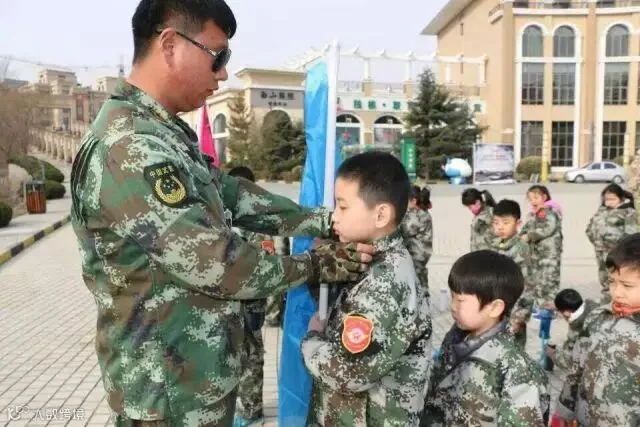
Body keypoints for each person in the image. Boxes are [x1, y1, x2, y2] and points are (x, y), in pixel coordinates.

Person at [68, 1, 374, 425]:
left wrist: (323, 220)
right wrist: (316, 264)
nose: (224, 73)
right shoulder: (130, 147)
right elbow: (218, 263)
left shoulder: (162, 134)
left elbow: (231, 195)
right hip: (168, 396)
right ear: (171, 45)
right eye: (218, 56)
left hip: (195, 380)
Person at [301, 151, 433, 426]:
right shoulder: (369, 256)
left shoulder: (384, 281)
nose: (334, 217)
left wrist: (312, 339)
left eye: (343, 207)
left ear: (381, 214)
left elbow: (349, 373)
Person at [421, 250, 550, 426]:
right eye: (452, 297)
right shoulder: (455, 338)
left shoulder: (518, 372)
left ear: (495, 308)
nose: (452, 306)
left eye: (460, 300)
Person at [226, 166, 289, 427]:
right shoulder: (222, 215)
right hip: (225, 303)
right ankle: (237, 409)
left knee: (251, 357)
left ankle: (251, 412)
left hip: (251, 302)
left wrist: (274, 313)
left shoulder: (261, 220)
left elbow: (274, 265)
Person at [555, 234, 640, 426]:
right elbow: (577, 369)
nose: (616, 292)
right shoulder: (598, 317)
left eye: (627, 285)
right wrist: (566, 409)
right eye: (612, 281)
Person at [488, 199, 534, 347]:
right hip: (494, 313)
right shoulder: (494, 245)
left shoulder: (521, 249)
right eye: (496, 223)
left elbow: (527, 286)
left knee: (512, 354)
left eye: (506, 222)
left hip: (512, 315)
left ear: (518, 223)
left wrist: (518, 318)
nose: (500, 227)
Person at [585, 183, 637, 303]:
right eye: (606, 199)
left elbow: (631, 234)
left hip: (617, 252)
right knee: (604, 278)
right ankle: (606, 301)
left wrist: (619, 247)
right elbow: (590, 227)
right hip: (600, 251)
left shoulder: (627, 212)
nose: (609, 202)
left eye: (612, 199)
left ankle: (619, 302)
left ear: (621, 198)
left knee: (617, 277)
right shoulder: (601, 211)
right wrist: (595, 240)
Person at [521, 185, 563, 308]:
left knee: (549, 281)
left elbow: (548, 228)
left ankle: (549, 308)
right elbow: (526, 228)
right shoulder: (533, 214)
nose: (533, 201)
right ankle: (540, 307)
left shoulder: (549, 211)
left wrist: (529, 236)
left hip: (549, 254)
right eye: (530, 199)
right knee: (536, 281)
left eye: (536, 198)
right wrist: (521, 236)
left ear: (544, 197)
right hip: (536, 253)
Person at [546, 289, 598, 371]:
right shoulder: (595, 307)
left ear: (567, 312)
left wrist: (552, 354)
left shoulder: (577, 330)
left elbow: (568, 362)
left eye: (560, 311)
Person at [400, 185, 433, 292]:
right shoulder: (416, 212)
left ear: (414, 201)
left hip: (418, 253)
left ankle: (424, 299)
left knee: (419, 281)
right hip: (418, 252)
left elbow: (405, 230)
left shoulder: (420, 216)